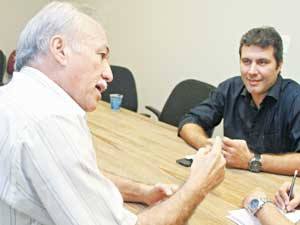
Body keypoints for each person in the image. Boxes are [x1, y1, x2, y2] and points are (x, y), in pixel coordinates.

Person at [0, 2, 226, 225]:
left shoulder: (15, 98)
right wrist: (198, 185)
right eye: (101, 55)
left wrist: (141, 192)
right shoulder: (49, 120)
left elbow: (75, 180)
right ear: (60, 49)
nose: (109, 74)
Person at [179, 26, 300, 175]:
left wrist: (251, 160)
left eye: (262, 62)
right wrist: (208, 146)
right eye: (246, 61)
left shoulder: (295, 99)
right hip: (230, 182)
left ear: (279, 65)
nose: (252, 71)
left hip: (274, 192)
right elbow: (189, 122)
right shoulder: (230, 87)